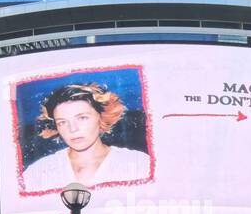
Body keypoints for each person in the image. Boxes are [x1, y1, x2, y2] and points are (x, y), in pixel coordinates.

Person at [18, 80, 153, 193]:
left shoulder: (139, 164)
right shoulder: (36, 173)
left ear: (101, 117)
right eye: (62, 122)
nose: (73, 129)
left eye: (82, 118)